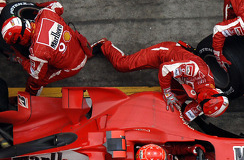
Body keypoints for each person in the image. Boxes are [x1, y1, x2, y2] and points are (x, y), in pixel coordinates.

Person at [95, 40, 229, 121]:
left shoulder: (206, 97)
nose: (199, 107)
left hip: (179, 79)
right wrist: (167, 93)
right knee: (122, 65)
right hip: (165, 55)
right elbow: (165, 69)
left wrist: (182, 121)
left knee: (172, 110)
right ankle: (104, 45)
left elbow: (187, 116)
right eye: (201, 107)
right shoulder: (196, 71)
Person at [0, 1, 93, 95]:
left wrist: (19, 58)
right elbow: (58, 5)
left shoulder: (38, 52)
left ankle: (31, 99)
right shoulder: (46, 13)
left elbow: (36, 74)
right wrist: (40, 5)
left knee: (35, 82)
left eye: (16, 42)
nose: (17, 44)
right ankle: (98, 46)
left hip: (74, 65)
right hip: (79, 45)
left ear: (21, 37)